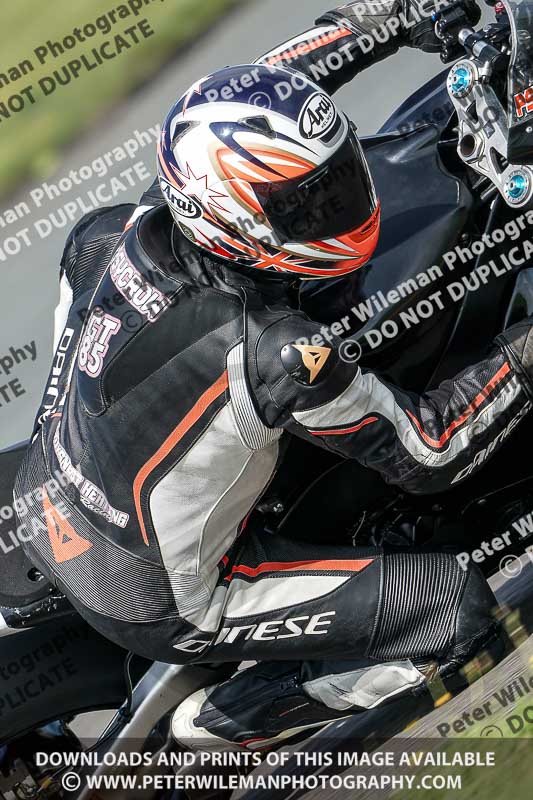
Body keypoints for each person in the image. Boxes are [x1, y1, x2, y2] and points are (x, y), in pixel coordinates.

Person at [14, 0, 532, 750]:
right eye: (306, 205)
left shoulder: (140, 218)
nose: (340, 205)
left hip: (48, 485)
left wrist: (391, 16)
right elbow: (430, 450)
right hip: (160, 595)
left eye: (336, 178)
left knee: (104, 243)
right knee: (454, 611)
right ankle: (216, 725)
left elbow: (271, 80)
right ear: (235, 220)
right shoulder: (277, 352)